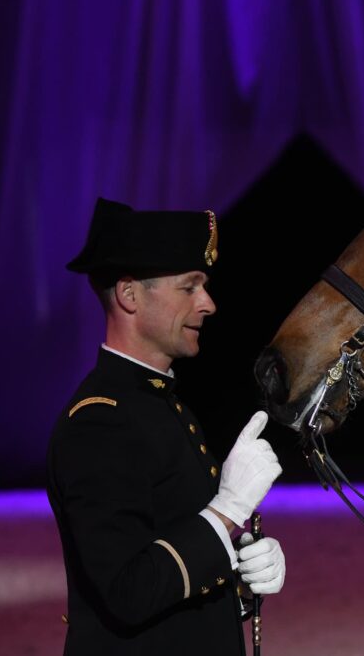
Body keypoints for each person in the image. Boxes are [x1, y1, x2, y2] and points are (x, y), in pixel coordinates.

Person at [47, 197, 284, 655]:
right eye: (189, 286)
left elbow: (170, 588)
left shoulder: (159, 404)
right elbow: (127, 593)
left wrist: (239, 586)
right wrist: (227, 511)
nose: (209, 303)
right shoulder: (100, 421)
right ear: (130, 294)